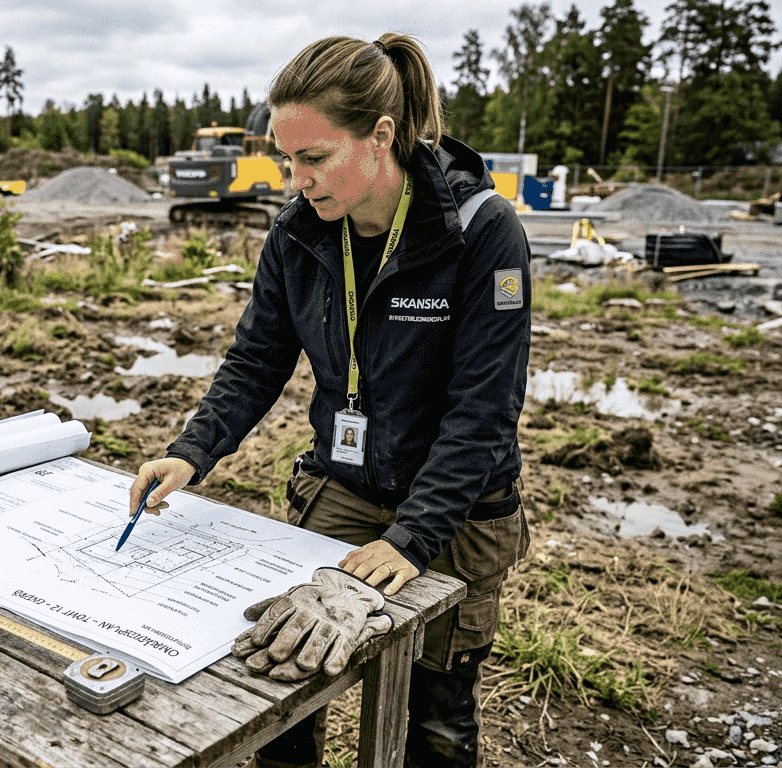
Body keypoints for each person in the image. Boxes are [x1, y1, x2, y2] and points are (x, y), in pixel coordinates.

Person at [128, 32, 531, 768]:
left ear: (380, 136)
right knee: (280, 680)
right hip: (344, 484)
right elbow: (255, 361)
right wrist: (191, 453)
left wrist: (409, 541)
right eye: (287, 158)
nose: (295, 179)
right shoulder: (295, 235)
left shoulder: (480, 231)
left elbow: (484, 409)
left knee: (437, 713)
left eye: (313, 158)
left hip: (459, 506)